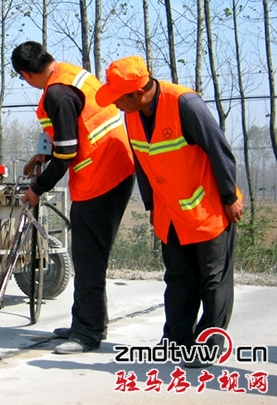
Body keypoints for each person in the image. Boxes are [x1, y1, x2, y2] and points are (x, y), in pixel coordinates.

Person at [96, 55, 243, 367]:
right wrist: (151, 206)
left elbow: (219, 149)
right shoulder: (132, 115)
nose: (115, 105)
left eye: (119, 98)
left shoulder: (185, 104)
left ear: (138, 93)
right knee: (178, 279)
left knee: (213, 280)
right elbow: (142, 163)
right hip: (170, 215)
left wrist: (230, 196)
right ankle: (176, 340)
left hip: (207, 209)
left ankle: (208, 345)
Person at [11, 41, 135, 354]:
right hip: (114, 168)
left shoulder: (56, 93)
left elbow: (66, 152)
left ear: (26, 74)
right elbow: (69, 130)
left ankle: (87, 333)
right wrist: (42, 155)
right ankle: (86, 321)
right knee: (86, 255)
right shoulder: (69, 74)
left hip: (102, 178)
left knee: (89, 258)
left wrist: (37, 190)